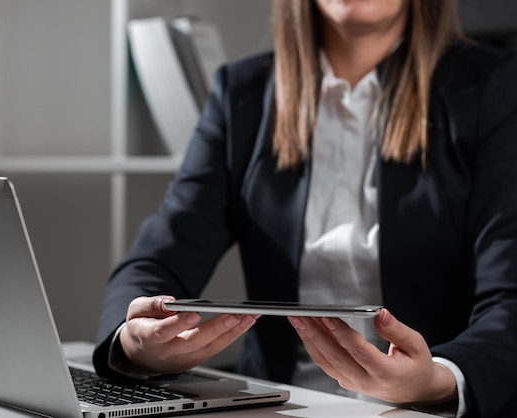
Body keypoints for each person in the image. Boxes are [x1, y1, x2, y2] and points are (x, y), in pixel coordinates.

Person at [93, 0, 517, 416]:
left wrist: (437, 380)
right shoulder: (241, 94)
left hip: (421, 411)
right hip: (275, 406)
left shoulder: (494, 88)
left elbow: (508, 299)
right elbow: (159, 254)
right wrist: (135, 343)